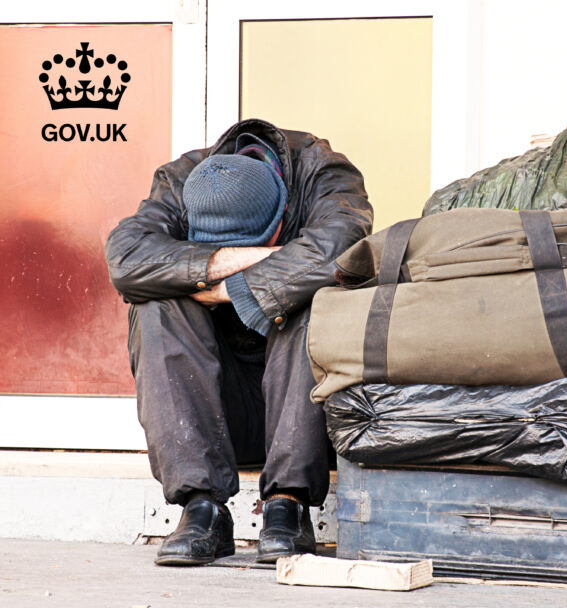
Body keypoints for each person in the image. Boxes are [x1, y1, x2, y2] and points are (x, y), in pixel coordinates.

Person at [105, 118, 372, 566]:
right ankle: (202, 508)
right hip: (219, 417)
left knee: (311, 297)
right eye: (215, 248)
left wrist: (228, 287)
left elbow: (340, 251)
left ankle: (288, 504)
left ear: (282, 214)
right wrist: (228, 261)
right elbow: (126, 257)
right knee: (155, 304)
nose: (228, 260)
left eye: (244, 246)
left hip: (304, 417)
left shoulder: (326, 175)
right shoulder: (184, 180)